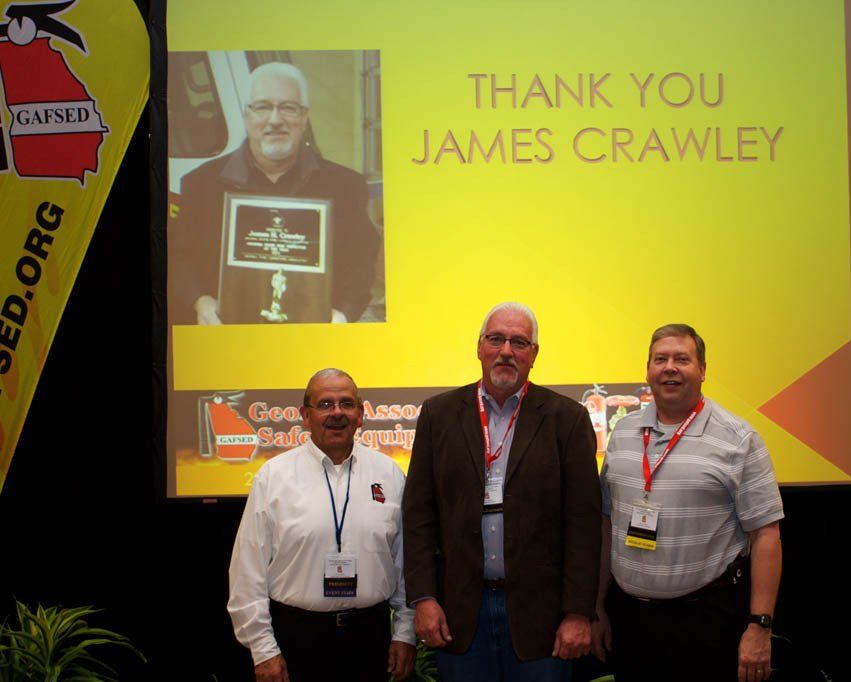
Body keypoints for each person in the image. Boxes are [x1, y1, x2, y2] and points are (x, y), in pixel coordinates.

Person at [402, 302, 601, 681]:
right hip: (461, 614)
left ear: (534, 354)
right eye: (496, 339)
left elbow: (583, 526)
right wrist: (424, 600)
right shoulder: (438, 414)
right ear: (479, 347)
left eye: (519, 342)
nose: (506, 351)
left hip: (541, 618)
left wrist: (577, 613)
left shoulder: (566, 419)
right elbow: (419, 517)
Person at [592, 324, 784, 682]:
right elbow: (607, 523)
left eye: (682, 359)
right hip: (631, 624)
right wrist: (598, 607)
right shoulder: (623, 433)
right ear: (647, 369)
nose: (670, 367)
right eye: (660, 359)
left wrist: (760, 626)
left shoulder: (739, 439)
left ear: (703, 370)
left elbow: (766, 535)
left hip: (706, 622)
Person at [228, 369, 415, 682]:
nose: (337, 413)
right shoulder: (274, 477)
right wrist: (263, 650)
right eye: (325, 404)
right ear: (305, 415)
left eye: (347, 403)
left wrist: (405, 634)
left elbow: (406, 564)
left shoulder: (389, 474)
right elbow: (247, 573)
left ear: (361, 414)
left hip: (370, 639)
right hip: (297, 640)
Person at [171, 61, 380, 324]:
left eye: (288, 108)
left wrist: (343, 313)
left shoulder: (346, 187)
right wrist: (200, 302)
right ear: (247, 115)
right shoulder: (200, 184)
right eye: (262, 107)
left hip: (311, 339)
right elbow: (179, 258)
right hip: (227, 338)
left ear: (305, 117)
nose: (275, 119)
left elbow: (360, 263)